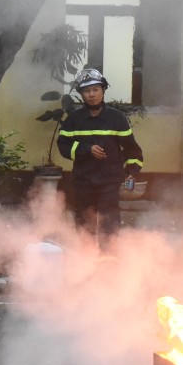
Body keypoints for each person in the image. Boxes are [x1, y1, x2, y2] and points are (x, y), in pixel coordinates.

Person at [56, 67, 144, 242]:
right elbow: (63, 146)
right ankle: (84, 255)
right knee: (84, 224)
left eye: (95, 89)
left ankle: (109, 256)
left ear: (103, 90)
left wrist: (132, 172)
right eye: (87, 91)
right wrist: (86, 149)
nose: (91, 94)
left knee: (109, 224)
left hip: (110, 181)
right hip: (83, 181)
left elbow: (132, 150)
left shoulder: (117, 118)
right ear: (81, 94)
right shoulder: (73, 119)